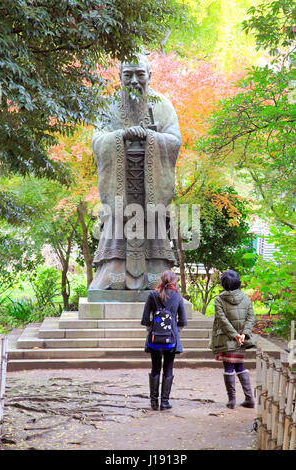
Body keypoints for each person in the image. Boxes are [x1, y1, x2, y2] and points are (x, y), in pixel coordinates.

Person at [89, 53, 181, 292]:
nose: (134, 80)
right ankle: (113, 272)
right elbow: (98, 140)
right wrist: (122, 136)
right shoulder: (109, 106)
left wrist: (151, 137)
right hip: (120, 187)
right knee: (117, 225)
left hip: (152, 186)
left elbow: (174, 141)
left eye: (140, 74)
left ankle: (156, 274)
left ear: (150, 75)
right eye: (127, 74)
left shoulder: (163, 106)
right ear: (119, 77)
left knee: (154, 227)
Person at [141, 270, 187, 410]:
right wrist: (173, 329)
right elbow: (182, 321)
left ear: (161, 280)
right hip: (171, 339)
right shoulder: (178, 297)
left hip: (155, 339)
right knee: (168, 368)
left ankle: (154, 402)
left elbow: (145, 319)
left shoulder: (153, 295)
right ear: (174, 282)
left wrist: (153, 328)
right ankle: (165, 402)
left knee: (155, 368)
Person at [209, 270, 255, 409]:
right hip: (241, 340)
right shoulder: (246, 299)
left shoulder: (219, 300)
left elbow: (222, 321)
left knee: (228, 367)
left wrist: (234, 335)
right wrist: (243, 334)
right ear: (239, 283)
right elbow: (251, 318)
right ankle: (249, 399)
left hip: (226, 338)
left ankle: (232, 400)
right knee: (240, 366)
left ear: (223, 284)